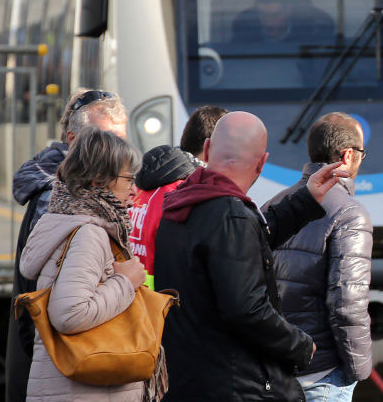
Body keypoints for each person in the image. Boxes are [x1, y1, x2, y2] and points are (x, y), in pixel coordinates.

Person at [153, 111, 348, 401]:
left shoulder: (181, 205)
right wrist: (299, 345)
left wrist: (306, 200)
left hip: (187, 379)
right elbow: (246, 309)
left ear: (207, 150)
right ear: (262, 162)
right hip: (234, 385)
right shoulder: (231, 215)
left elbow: (240, 248)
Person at [6, 89, 128, 402]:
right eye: (105, 141)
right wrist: (126, 282)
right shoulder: (71, 205)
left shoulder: (72, 193)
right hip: (72, 368)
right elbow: (67, 309)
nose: (118, 152)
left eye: (121, 141)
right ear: (73, 140)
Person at [18, 127, 150, 400]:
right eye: (128, 179)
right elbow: (70, 314)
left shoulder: (64, 219)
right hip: (84, 390)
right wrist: (125, 281)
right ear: (99, 180)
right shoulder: (90, 232)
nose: (134, 189)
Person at [266, 112, 372, 401]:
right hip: (322, 376)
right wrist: (358, 368)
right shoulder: (350, 215)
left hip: (277, 370)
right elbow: (347, 304)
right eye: (362, 153)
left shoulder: (273, 205)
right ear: (348, 155)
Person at [128, 106, 228, 289]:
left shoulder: (146, 187)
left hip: (137, 303)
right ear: (210, 148)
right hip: (164, 307)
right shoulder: (187, 196)